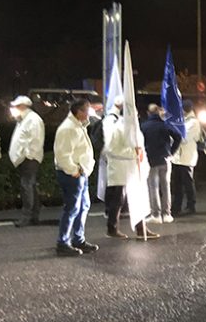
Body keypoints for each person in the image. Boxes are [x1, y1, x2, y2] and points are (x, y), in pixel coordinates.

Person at [103, 97, 158, 239]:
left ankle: (141, 229)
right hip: (121, 170)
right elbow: (111, 149)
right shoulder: (118, 128)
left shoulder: (135, 128)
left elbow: (140, 149)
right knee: (118, 200)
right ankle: (112, 228)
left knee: (137, 199)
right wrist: (133, 153)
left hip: (134, 170)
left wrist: (143, 163)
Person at [53, 98, 98, 256]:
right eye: (87, 110)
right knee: (73, 208)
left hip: (80, 173)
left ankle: (78, 239)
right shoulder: (69, 128)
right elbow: (62, 154)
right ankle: (63, 242)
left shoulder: (77, 126)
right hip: (72, 174)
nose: (89, 113)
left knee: (82, 207)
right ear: (79, 112)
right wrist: (74, 170)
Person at [9, 95, 45, 227]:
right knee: (30, 186)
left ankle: (27, 216)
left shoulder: (32, 120)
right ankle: (33, 215)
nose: (13, 109)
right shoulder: (23, 119)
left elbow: (35, 140)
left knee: (27, 186)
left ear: (23, 107)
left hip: (29, 159)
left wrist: (27, 156)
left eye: (16, 107)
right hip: (25, 158)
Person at [141, 104, 180, 223]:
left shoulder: (144, 126)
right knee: (166, 186)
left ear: (148, 113)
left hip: (151, 160)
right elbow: (178, 136)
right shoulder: (165, 124)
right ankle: (167, 214)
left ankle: (156, 215)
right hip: (165, 158)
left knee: (153, 187)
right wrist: (171, 152)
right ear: (158, 113)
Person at [172, 100, 203, 216]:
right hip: (178, 157)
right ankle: (176, 206)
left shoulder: (194, 122)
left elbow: (184, 139)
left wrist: (175, 136)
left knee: (188, 183)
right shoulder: (184, 121)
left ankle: (191, 205)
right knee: (177, 184)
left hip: (187, 158)